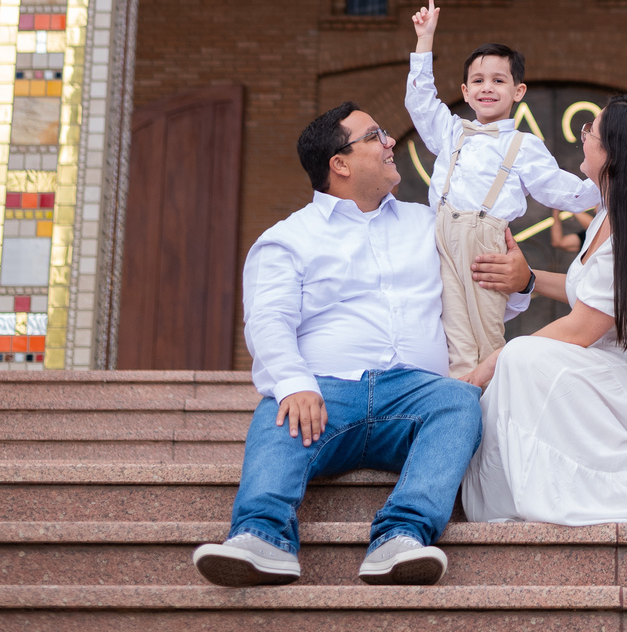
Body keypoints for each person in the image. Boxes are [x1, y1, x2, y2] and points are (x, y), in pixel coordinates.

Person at [191, 99, 532, 589]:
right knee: (278, 410)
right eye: (375, 136)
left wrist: (520, 283)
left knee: (459, 402)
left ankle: (401, 537)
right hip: (326, 395)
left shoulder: (429, 224)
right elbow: (268, 321)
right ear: (341, 164)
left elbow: (477, 296)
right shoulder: (287, 238)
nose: (391, 142)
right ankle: (261, 537)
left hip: (416, 395)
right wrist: (294, 383)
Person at [461, 93, 627, 525]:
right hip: (626, 372)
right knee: (523, 363)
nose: (582, 138)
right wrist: (528, 279)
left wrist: (488, 365)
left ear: (613, 153)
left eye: (589, 131)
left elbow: (581, 329)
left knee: (523, 359)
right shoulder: (609, 214)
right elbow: (594, 296)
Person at [406, 0, 602, 377]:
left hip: (484, 242)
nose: (487, 88)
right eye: (478, 81)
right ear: (465, 91)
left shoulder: (524, 145)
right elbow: (420, 101)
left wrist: (608, 182)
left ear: (518, 91)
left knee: (485, 333)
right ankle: (461, 398)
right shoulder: (450, 131)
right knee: (452, 336)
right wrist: (424, 40)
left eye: (499, 80)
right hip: (440, 236)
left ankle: (492, 399)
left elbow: (563, 190)